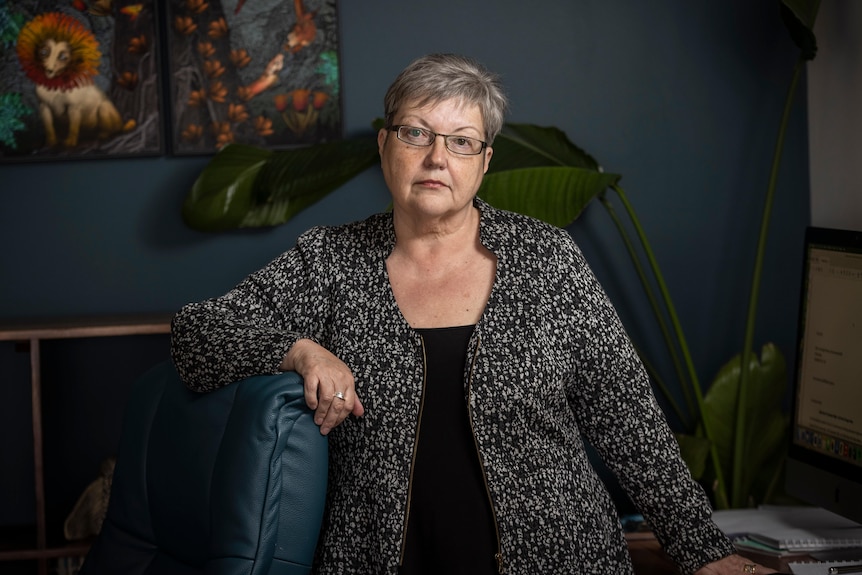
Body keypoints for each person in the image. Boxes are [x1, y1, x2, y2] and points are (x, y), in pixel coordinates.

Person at [171, 53, 781, 575]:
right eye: (416, 133)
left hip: (560, 559)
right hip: (376, 559)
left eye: (461, 141)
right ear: (385, 145)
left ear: (483, 163)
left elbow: (626, 416)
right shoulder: (329, 260)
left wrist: (702, 552)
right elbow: (197, 335)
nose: (437, 157)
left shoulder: (546, 259)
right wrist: (301, 350)